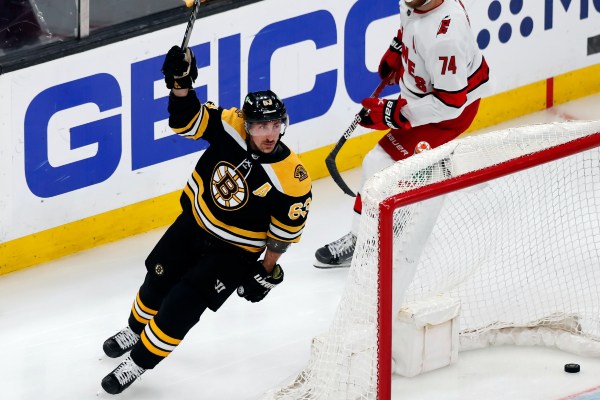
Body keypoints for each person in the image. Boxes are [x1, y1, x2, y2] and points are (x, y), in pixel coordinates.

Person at [100, 45, 312, 395]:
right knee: (156, 283)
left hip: (233, 253)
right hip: (193, 225)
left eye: (276, 124)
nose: (270, 133)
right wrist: (180, 85)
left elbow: (283, 233)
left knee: (181, 307)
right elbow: (185, 120)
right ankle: (134, 330)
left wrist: (267, 268)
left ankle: (137, 363)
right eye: (261, 125)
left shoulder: (293, 178)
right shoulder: (229, 125)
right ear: (247, 123)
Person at [314, 0, 491, 268]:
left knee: (377, 162)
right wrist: (399, 49)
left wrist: (393, 113)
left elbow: (449, 104)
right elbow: (409, 24)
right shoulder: (415, 3)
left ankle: (363, 241)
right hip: (427, 97)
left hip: (446, 115)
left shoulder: (445, 37)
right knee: (393, 164)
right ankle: (409, 198)